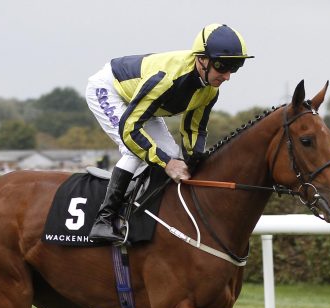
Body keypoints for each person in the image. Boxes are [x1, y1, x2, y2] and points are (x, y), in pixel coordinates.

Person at [85, 23, 252, 243]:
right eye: (222, 66)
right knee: (135, 150)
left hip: (143, 102)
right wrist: (166, 163)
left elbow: (194, 129)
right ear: (201, 59)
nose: (227, 76)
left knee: (172, 154)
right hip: (110, 89)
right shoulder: (166, 79)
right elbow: (130, 129)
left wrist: (195, 162)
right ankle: (104, 219)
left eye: (234, 67)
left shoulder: (210, 91)